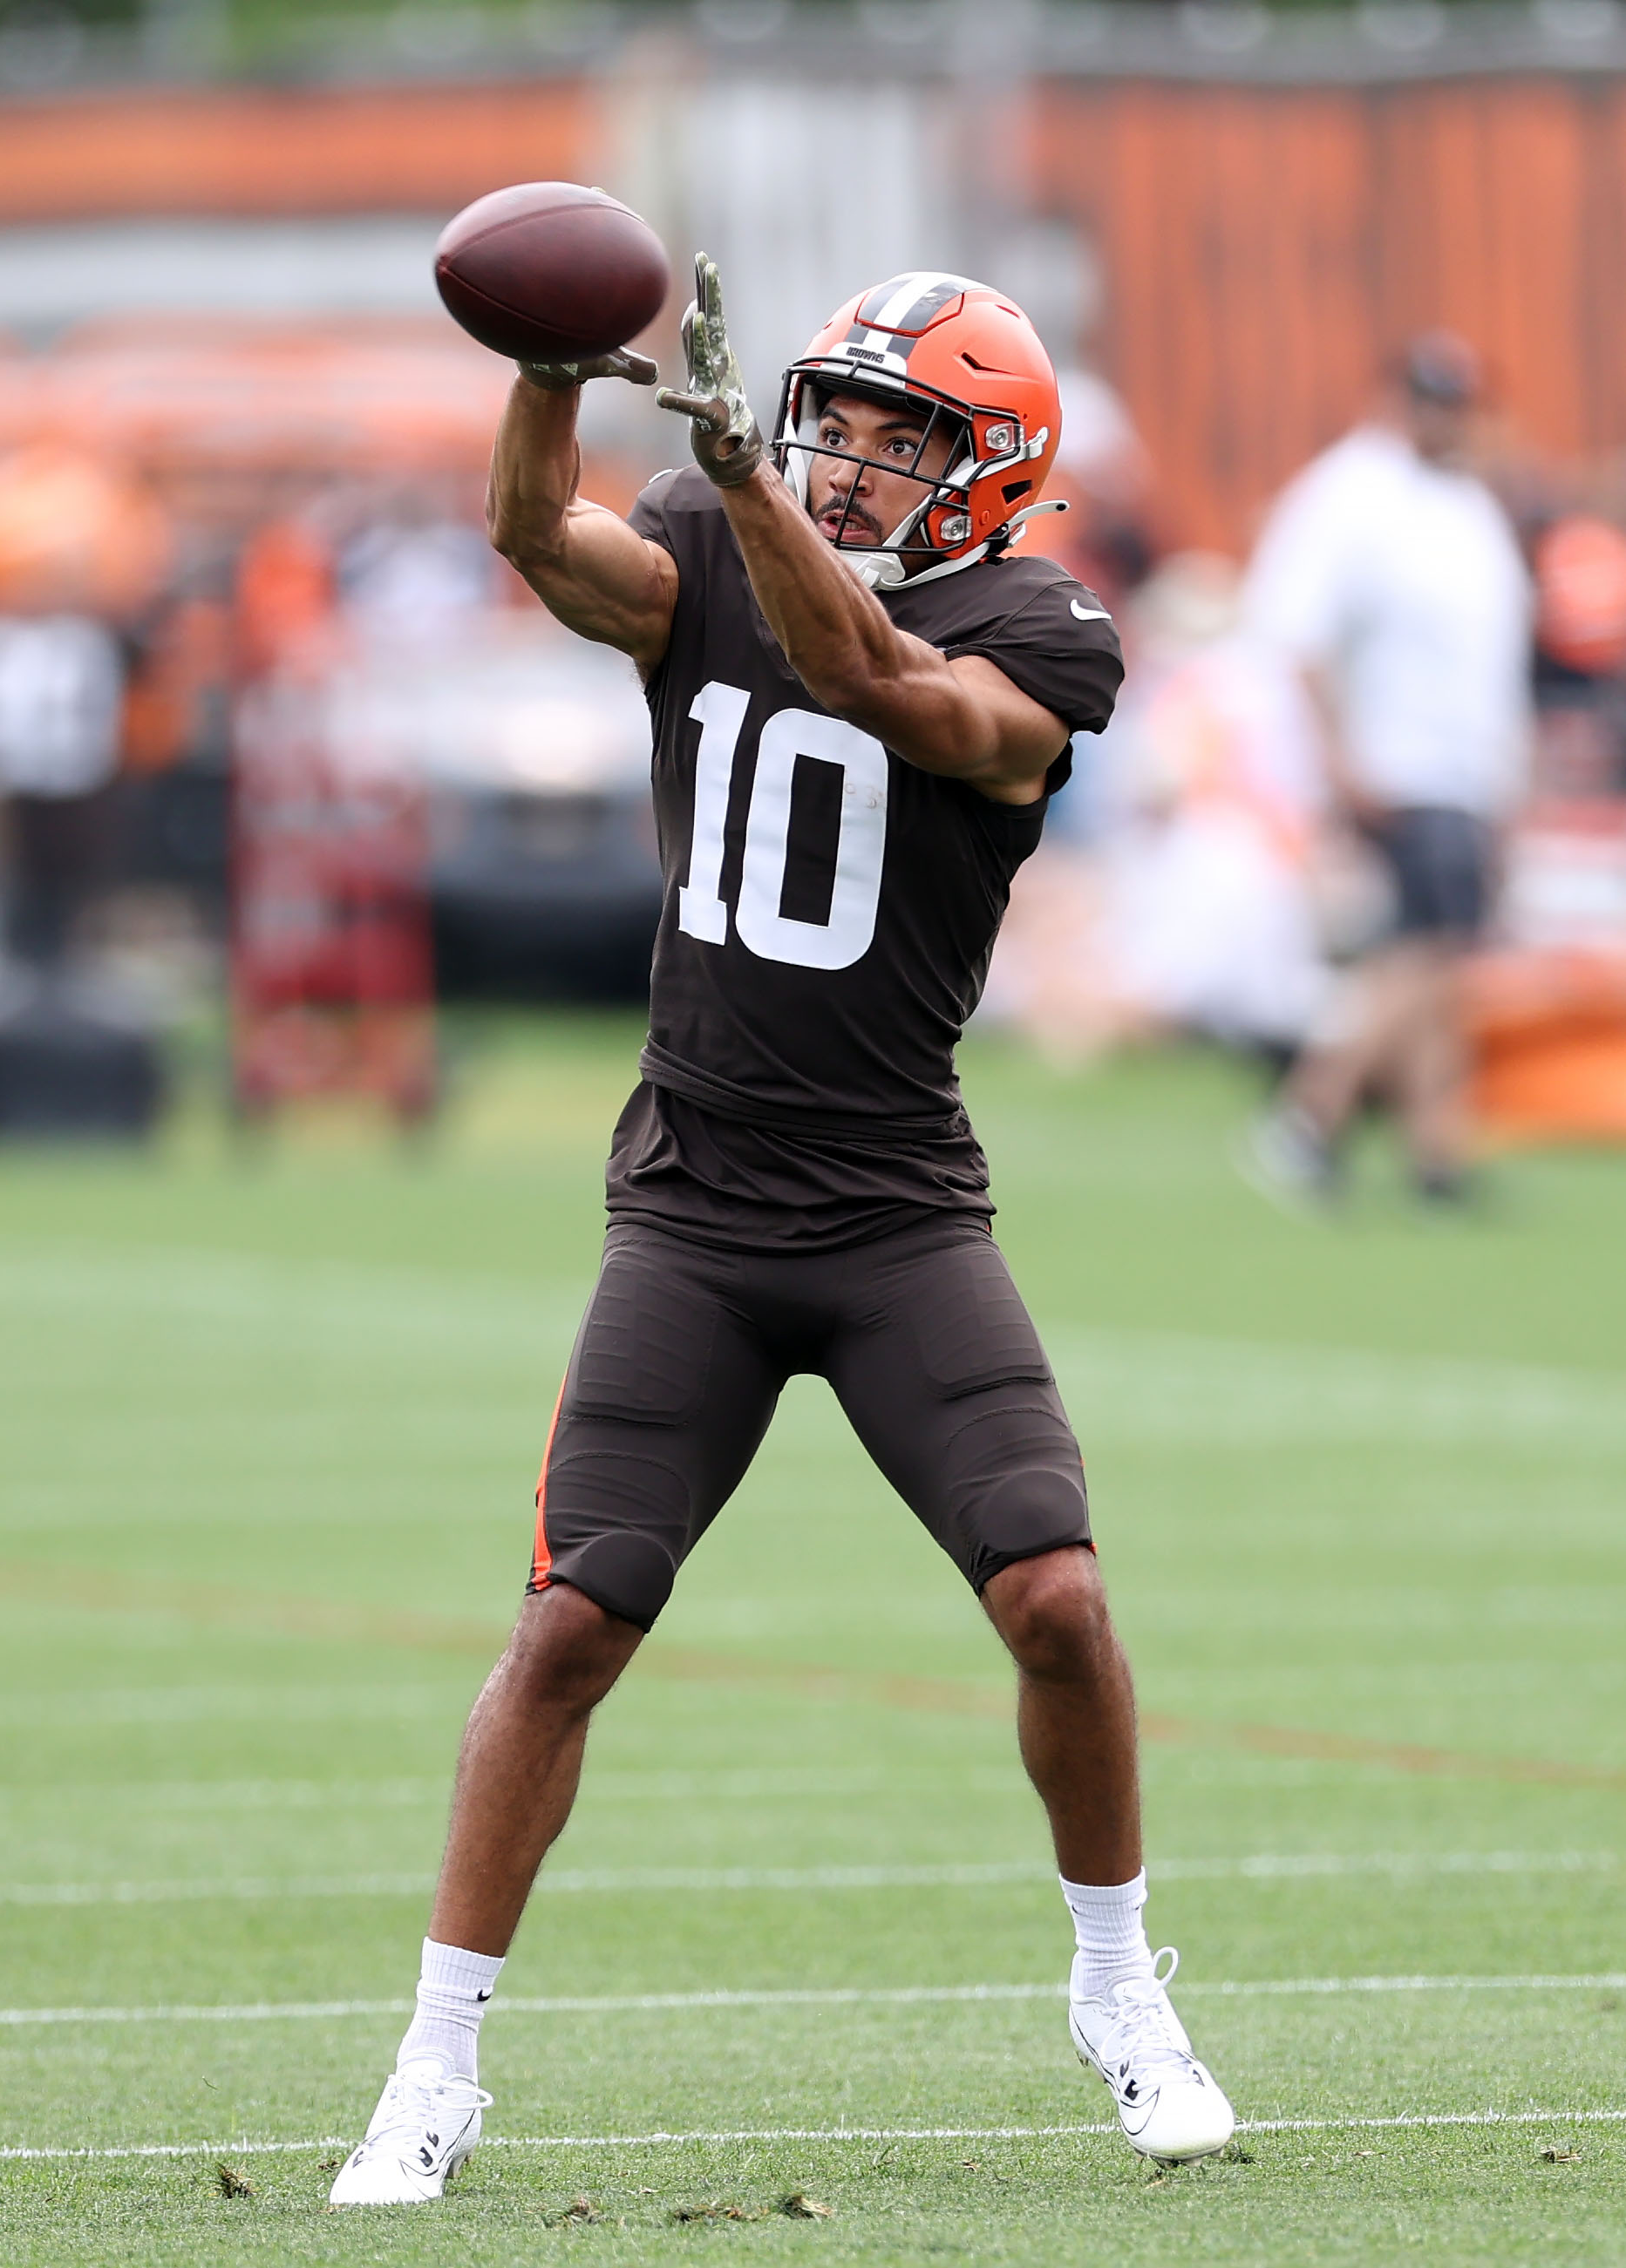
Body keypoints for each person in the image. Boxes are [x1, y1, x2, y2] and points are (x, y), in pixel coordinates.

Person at [330, 258, 1235, 2207]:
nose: (850, 461)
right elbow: (529, 535)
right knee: (571, 1618)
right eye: (836, 419)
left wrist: (744, 478)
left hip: (900, 1207)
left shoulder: (1045, 627)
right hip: (696, 1208)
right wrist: (550, 375)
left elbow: (884, 687)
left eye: (901, 438)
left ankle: (1118, 1989)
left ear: (991, 473)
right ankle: (433, 2058)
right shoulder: (720, 526)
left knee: (1059, 1600)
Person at [1241, 332, 1534, 1205]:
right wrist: (1339, 758)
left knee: (1446, 960)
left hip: (1464, 767)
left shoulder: (1466, 504)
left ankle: (1437, 1155)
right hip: (1399, 760)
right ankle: (1308, 1114)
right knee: (1427, 950)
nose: (1447, 416)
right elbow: (1299, 633)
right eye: (1433, 398)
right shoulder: (1353, 493)